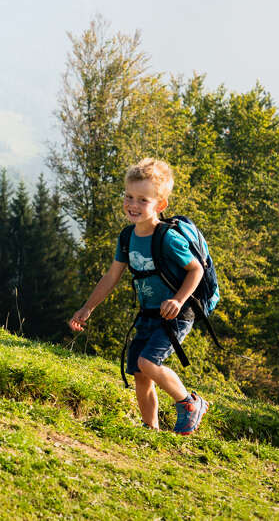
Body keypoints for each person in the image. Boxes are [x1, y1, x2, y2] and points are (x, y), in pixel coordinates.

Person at [69, 158, 209, 435]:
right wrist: (88, 308)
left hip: (176, 314)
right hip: (148, 314)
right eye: (129, 196)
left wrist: (178, 300)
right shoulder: (126, 237)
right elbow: (111, 276)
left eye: (142, 200)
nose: (132, 205)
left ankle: (190, 402)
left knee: (148, 362)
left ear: (160, 205)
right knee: (140, 374)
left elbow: (196, 270)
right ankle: (150, 428)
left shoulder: (168, 238)